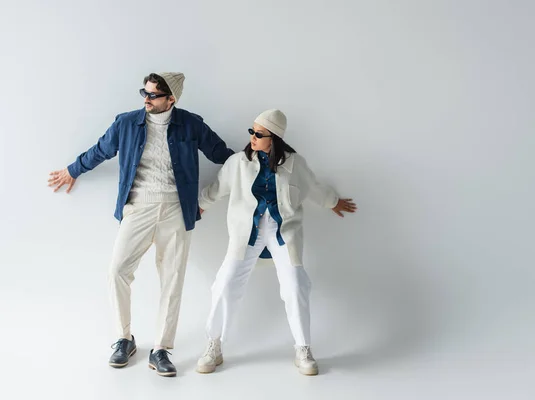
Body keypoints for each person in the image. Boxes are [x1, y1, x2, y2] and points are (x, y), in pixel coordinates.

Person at [47, 72, 234, 377]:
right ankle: (124, 339)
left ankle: (161, 349)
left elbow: (222, 155)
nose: (146, 99)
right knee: (117, 270)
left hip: (176, 209)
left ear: (171, 99)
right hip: (138, 208)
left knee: (172, 280)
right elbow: (100, 150)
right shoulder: (126, 122)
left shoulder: (191, 124)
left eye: (153, 95)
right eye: (144, 93)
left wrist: (253, 164)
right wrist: (73, 170)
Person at [195, 109, 357, 376]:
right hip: (248, 231)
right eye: (252, 131)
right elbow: (218, 188)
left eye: (259, 134)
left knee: (296, 284)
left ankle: (303, 348)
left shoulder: (295, 164)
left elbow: (313, 187)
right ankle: (214, 344)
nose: (252, 138)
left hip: (283, 231)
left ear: (275, 138)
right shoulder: (237, 163)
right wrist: (200, 206)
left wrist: (333, 202)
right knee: (225, 283)